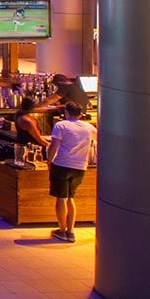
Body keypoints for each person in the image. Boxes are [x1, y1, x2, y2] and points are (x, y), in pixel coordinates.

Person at [45, 104, 96, 242]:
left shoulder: (61, 126)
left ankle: (62, 230)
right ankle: (71, 231)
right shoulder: (89, 127)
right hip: (80, 168)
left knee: (61, 198)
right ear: (80, 114)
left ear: (66, 112)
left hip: (62, 165)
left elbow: (54, 146)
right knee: (70, 197)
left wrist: (49, 161)